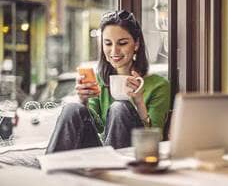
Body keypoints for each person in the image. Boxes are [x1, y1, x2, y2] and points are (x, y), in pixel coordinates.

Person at [46, 10, 170, 153]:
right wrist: (83, 101)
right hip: (101, 153)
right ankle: (48, 170)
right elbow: (97, 127)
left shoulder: (159, 85)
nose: (114, 51)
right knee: (72, 108)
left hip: (133, 155)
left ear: (136, 44)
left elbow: (155, 140)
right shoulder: (99, 80)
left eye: (122, 43)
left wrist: (139, 102)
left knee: (120, 107)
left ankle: (114, 170)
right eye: (108, 43)